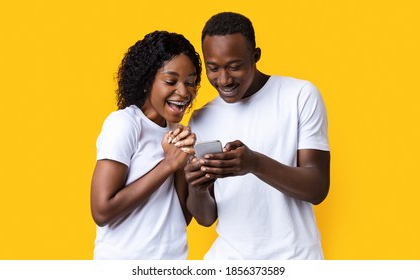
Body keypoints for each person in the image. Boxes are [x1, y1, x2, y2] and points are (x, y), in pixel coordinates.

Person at [184, 12, 330, 259]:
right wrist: (196, 188)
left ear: (255, 56)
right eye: (213, 68)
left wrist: (254, 164)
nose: (224, 79)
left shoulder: (299, 96)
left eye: (234, 66)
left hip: (295, 259)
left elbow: (317, 188)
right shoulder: (201, 118)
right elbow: (206, 219)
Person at [90, 30, 202, 259]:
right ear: (146, 80)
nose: (183, 92)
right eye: (171, 81)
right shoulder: (125, 124)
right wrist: (168, 165)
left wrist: (185, 167)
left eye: (190, 83)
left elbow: (180, 216)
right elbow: (101, 211)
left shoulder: (177, 133)